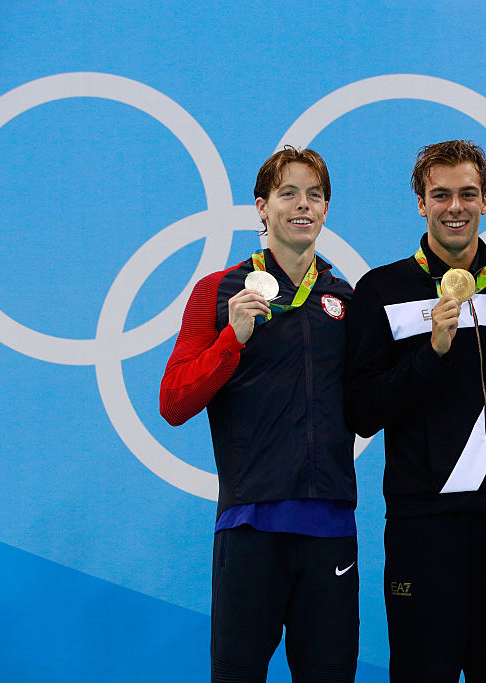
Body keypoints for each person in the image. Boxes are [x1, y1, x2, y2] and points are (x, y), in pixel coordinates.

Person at [159, 147, 358, 683]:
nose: (303, 205)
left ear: (326, 209)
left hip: (330, 528)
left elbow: (372, 399)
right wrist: (232, 339)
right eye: (288, 193)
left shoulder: (345, 297)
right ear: (261, 208)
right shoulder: (218, 291)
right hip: (250, 525)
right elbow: (174, 402)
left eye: (315, 195)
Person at [344, 140, 486, 682]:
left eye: (468, 194)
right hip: (422, 521)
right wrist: (430, 355)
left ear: (485, 201)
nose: (456, 207)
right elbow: (361, 411)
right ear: (420, 203)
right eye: (442, 195)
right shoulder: (381, 289)